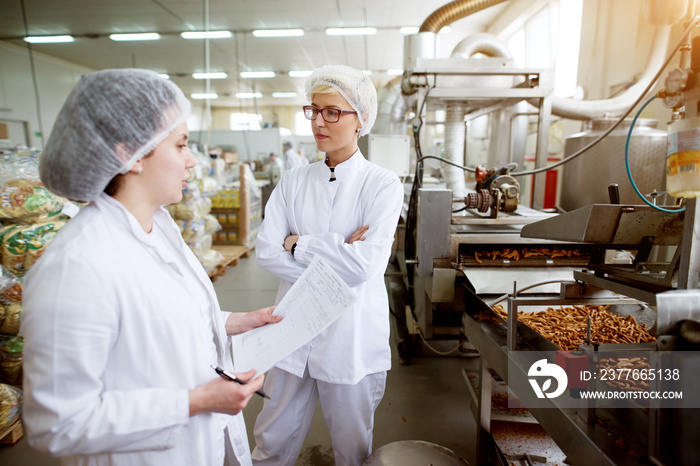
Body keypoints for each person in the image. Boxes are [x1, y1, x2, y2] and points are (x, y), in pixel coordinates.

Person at [21, 69, 280, 466]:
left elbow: (154, 316)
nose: (192, 161)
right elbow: (56, 424)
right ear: (131, 154)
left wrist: (233, 321)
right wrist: (194, 402)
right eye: (181, 145)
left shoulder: (158, 224)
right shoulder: (76, 268)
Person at [252, 65, 404, 465]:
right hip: (292, 332)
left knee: (352, 449)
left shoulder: (382, 185)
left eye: (332, 112)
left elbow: (367, 265)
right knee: (271, 440)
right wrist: (338, 251)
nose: (319, 121)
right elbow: (266, 251)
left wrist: (299, 244)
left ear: (361, 120)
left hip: (349, 339)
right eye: (313, 110)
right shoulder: (293, 182)